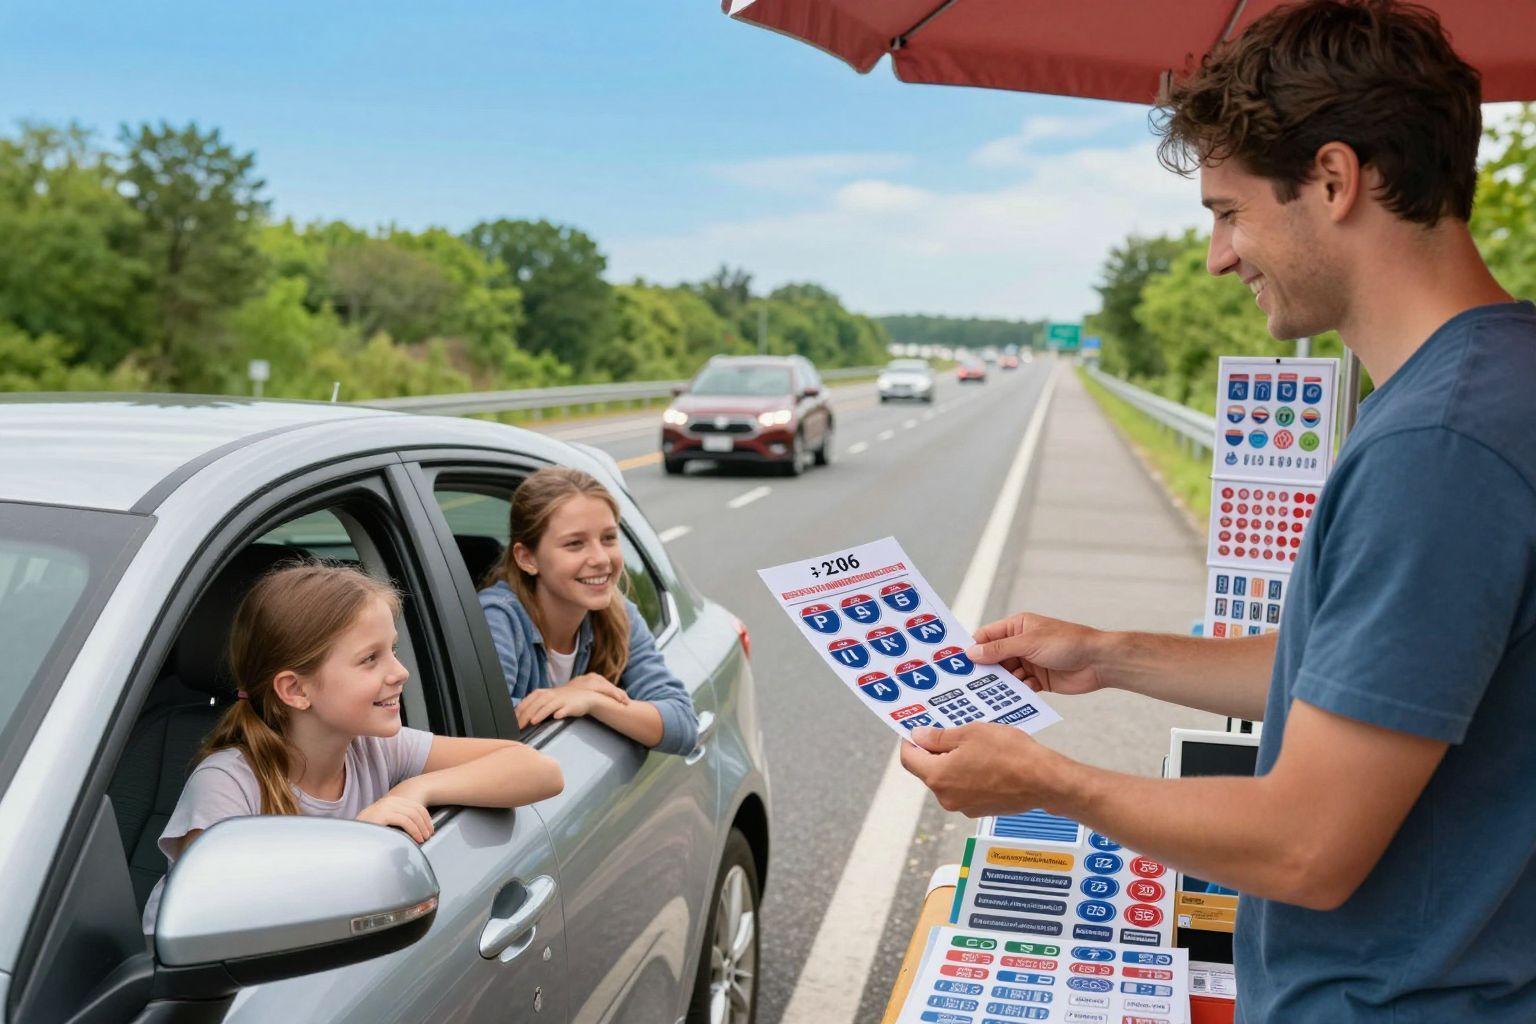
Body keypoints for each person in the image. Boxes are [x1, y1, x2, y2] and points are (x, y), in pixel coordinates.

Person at [900, 2, 1536, 1020]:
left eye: (1228, 211)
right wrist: (1111, 653)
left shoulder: (1438, 448)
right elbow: (1377, 676)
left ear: (1334, 180)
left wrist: (1049, 780)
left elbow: (1307, 844)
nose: (1218, 256)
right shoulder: (1497, 380)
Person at [143, 562, 564, 932]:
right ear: (295, 689)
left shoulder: (374, 749)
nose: (400, 672)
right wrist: (358, 840)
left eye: (393, 651)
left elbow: (540, 771)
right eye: (370, 659)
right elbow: (216, 921)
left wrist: (416, 789)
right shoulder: (226, 783)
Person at [478, 467, 699, 756]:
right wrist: (569, 696)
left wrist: (594, 700)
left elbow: (684, 726)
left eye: (608, 538)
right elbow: (485, 736)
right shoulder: (498, 618)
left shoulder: (619, 614)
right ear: (527, 558)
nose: (600, 558)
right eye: (575, 544)